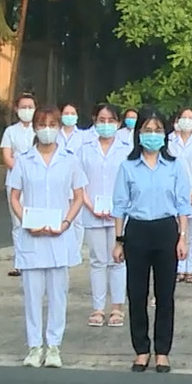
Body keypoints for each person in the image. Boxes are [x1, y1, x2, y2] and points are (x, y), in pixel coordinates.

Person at [113, 109, 192, 373]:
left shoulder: (174, 166)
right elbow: (120, 206)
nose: (152, 135)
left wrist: (183, 237)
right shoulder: (127, 166)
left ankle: (162, 351)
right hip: (137, 231)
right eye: (147, 130)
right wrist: (119, 240)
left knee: (165, 294)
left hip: (166, 230)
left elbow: (182, 205)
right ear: (139, 134)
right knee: (136, 294)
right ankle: (141, 349)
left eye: (158, 130)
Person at [9, 108, 87, 369]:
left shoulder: (69, 159)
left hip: (58, 236)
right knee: (32, 295)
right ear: (35, 128)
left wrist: (66, 223)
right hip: (32, 236)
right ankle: (34, 346)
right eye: (42, 124)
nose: (47, 129)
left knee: (58, 294)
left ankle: (53, 346)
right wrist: (27, 221)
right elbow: (14, 197)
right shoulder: (23, 160)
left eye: (52, 124)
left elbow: (78, 197)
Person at [78, 104, 131, 328]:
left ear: (118, 123)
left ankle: (117, 307)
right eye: (102, 119)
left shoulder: (126, 149)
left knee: (118, 260)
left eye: (111, 120)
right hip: (92, 211)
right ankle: (98, 307)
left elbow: (130, 182)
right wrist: (90, 206)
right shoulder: (85, 148)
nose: (106, 124)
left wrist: (120, 208)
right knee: (98, 261)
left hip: (120, 213)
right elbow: (79, 182)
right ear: (94, 120)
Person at [0, 92, 38, 277]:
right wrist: (22, 171)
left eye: (30, 107)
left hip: (37, 180)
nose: (27, 111)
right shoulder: (10, 131)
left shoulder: (39, 130)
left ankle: (35, 258)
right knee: (18, 222)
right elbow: (7, 156)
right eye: (23, 107)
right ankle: (19, 261)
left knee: (35, 219)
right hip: (15, 180)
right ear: (16, 109)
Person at [168, 107, 192, 283]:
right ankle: (178, 268)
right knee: (177, 232)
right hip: (174, 192)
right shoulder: (170, 142)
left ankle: (191, 269)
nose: (187, 120)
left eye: (191, 117)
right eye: (184, 117)